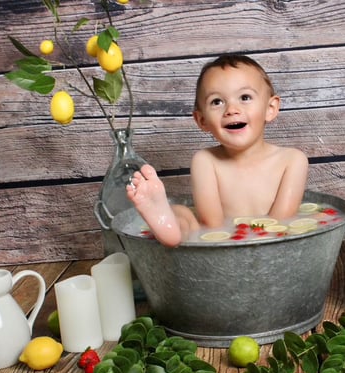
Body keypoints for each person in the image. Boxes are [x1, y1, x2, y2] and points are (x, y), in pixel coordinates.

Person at [126, 54, 309, 247]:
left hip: (274, 244)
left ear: (270, 108)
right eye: (217, 102)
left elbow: (281, 222)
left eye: (245, 97)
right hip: (219, 244)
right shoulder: (205, 160)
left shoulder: (292, 160)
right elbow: (212, 225)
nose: (231, 109)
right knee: (183, 212)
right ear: (201, 120)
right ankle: (166, 223)